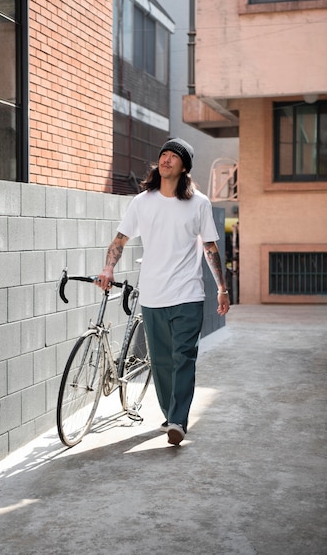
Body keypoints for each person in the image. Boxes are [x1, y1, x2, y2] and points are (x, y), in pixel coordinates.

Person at [97, 137, 230, 446]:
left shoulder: (199, 203)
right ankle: (171, 414)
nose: (166, 159)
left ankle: (179, 421)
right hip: (153, 296)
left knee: (183, 357)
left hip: (188, 296)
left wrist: (222, 288)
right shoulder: (142, 202)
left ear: (185, 167)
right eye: (163, 155)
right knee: (161, 363)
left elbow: (210, 247)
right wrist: (108, 268)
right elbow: (120, 239)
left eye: (174, 156)